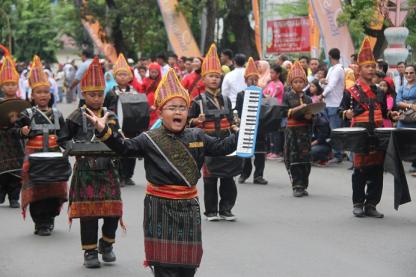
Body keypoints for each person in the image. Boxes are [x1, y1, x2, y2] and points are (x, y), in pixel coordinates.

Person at [85, 68, 237, 277]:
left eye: (182, 107)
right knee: (164, 266)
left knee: (187, 265)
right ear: (159, 111)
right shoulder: (149, 138)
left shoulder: (197, 135)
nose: (178, 112)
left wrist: (243, 132)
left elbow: (222, 148)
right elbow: (124, 148)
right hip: (159, 208)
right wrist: (104, 132)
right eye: (171, 107)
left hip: (188, 207)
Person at [66, 57, 123, 268]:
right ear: (84, 94)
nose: (97, 98)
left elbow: (118, 138)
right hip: (85, 170)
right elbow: (63, 138)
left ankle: (106, 244)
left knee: (113, 211)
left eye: (99, 94)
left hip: (108, 169)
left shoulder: (111, 116)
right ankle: (90, 251)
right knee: (88, 214)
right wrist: (73, 148)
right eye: (92, 94)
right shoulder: (75, 116)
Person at [339, 38, 398, 218]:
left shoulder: (380, 91)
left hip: (378, 134)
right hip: (360, 135)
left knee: (377, 170)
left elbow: (386, 111)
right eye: (367, 66)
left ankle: (371, 204)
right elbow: (340, 111)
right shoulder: (351, 92)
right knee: (360, 170)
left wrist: (391, 115)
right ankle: (358, 203)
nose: (371, 69)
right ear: (359, 69)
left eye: (373, 66)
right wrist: (346, 114)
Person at [14, 55, 68, 235]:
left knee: (54, 187)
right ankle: (39, 222)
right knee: (36, 188)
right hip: (33, 155)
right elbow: (14, 131)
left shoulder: (57, 114)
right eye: (39, 92)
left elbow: (64, 136)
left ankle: (50, 218)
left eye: (46, 91)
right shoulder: (26, 114)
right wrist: (22, 131)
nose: (43, 95)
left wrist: (71, 149)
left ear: (50, 94)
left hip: (53, 154)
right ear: (32, 95)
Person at [189, 44, 240, 221]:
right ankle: (211, 211)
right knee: (210, 178)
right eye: (211, 76)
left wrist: (235, 126)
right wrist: (196, 121)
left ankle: (226, 209)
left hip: (226, 141)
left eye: (217, 76)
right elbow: (187, 123)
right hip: (208, 142)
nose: (214, 80)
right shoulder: (197, 101)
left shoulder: (226, 99)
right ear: (203, 79)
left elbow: (231, 120)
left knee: (228, 177)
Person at [104, 53, 149, 187]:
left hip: (131, 127)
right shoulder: (111, 93)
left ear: (130, 77)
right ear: (115, 76)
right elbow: (105, 108)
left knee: (131, 151)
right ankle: (119, 175)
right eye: (119, 74)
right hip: (115, 126)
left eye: (125, 75)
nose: (122, 77)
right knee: (117, 151)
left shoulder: (134, 91)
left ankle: (128, 175)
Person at [282, 62, 313, 197]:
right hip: (292, 132)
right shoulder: (287, 96)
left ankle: (304, 184)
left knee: (305, 159)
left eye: (301, 81)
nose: (299, 84)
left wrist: (310, 116)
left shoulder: (308, 98)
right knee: (294, 158)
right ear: (291, 83)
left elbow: (313, 116)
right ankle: (297, 185)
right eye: (296, 81)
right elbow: (283, 111)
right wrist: (297, 109)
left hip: (305, 132)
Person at [235, 57, 268, 185]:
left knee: (260, 153)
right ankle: (244, 174)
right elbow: (238, 110)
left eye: (255, 79)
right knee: (246, 152)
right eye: (251, 79)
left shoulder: (262, 94)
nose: (253, 81)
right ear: (246, 80)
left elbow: (266, 110)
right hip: (246, 126)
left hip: (260, 128)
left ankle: (258, 176)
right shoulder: (241, 94)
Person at [0, 54, 24, 208]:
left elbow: (27, 121)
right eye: (7, 84)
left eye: (13, 84)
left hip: (16, 142)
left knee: (16, 172)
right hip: (1, 142)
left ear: (17, 86)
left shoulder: (22, 104)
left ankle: (14, 197)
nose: (10, 87)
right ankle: (1, 194)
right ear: (1, 87)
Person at [321, 48, 345, 163]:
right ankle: (334, 152)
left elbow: (331, 86)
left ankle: (338, 154)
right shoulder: (331, 69)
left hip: (335, 104)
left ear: (330, 56)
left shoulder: (338, 69)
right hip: (328, 103)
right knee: (331, 129)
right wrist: (322, 83)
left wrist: (322, 95)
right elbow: (326, 84)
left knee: (335, 130)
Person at [395, 64, 416, 175]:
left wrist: (405, 103)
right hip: (403, 118)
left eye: (411, 72)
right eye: (406, 73)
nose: (408, 75)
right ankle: (398, 165)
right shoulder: (402, 88)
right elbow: (397, 102)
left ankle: (415, 164)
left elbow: (400, 102)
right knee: (400, 141)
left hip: (414, 119)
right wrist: (412, 105)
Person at [264, 64, 285, 160]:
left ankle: (276, 151)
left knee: (275, 131)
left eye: (272, 73)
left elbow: (271, 96)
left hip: (276, 110)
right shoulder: (270, 83)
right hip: (269, 109)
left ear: (278, 74)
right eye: (270, 72)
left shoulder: (279, 85)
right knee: (270, 131)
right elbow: (264, 93)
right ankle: (271, 150)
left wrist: (267, 95)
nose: (271, 74)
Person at [141, 62, 162, 127]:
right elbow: (142, 92)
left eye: (155, 72)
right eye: (152, 72)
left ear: (159, 72)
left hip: (158, 102)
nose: (153, 74)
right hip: (147, 102)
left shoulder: (161, 81)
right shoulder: (145, 80)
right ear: (149, 72)